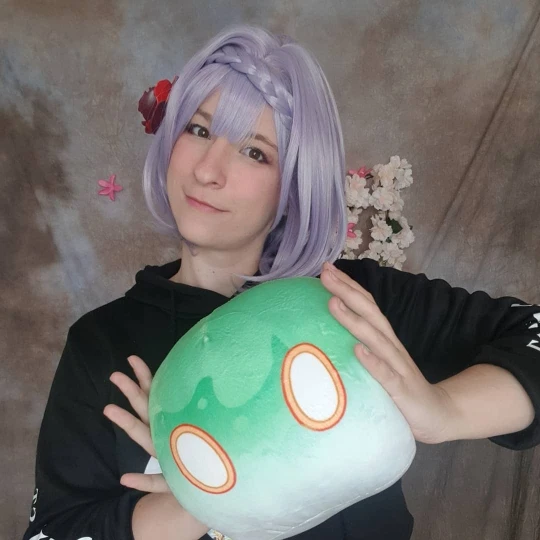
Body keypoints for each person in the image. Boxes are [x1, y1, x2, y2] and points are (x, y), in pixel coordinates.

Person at [22, 23, 540, 540]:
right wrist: (201, 497)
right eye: (198, 130)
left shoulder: (352, 302)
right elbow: (55, 531)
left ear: (293, 187)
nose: (208, 171)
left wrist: (444, 411)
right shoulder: (102, 343)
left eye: (254, 152)